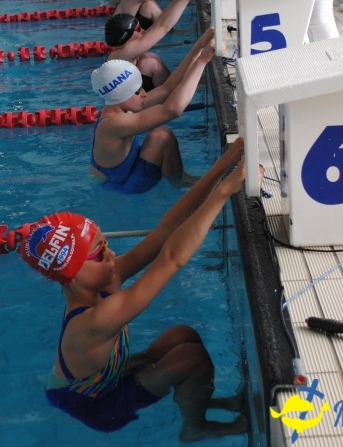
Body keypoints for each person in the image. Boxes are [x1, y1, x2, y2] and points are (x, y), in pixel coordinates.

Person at [20, 137, 249, 439]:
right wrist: (224, 192)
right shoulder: (93, 322)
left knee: (183, 336)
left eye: (106, 244)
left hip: (108, 378)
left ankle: (199, 401)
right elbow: (171, 259)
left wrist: (223, 165)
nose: (111, 255)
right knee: (190, 359)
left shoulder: (103, 279)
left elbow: (166, 230)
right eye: (100, 253)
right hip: (97, 406)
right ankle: (195, 427)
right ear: (73, 274)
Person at [89, 29, 214, 194]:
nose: (144, 94)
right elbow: (173, 110)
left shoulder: (121, 106)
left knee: (161, 134)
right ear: (120, 94)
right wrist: (202, 61)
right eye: (137, 90)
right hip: (119, 187)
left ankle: (179, 181)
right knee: (161, 137)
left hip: (126, 174)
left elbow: (167, 88)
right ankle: (180, 185)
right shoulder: (114, 124)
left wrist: (200, 44)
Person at [104, 0, 203, 90]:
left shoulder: (124, 48)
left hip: (134, 89)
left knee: (148, 58)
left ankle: (180, 85)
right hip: (133, 102)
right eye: (137, 29)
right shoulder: (124, 54)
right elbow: (163, 26)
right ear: (126, 38)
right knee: (150, 63)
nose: (142, 30)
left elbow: (160, 25)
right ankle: (176, 90)